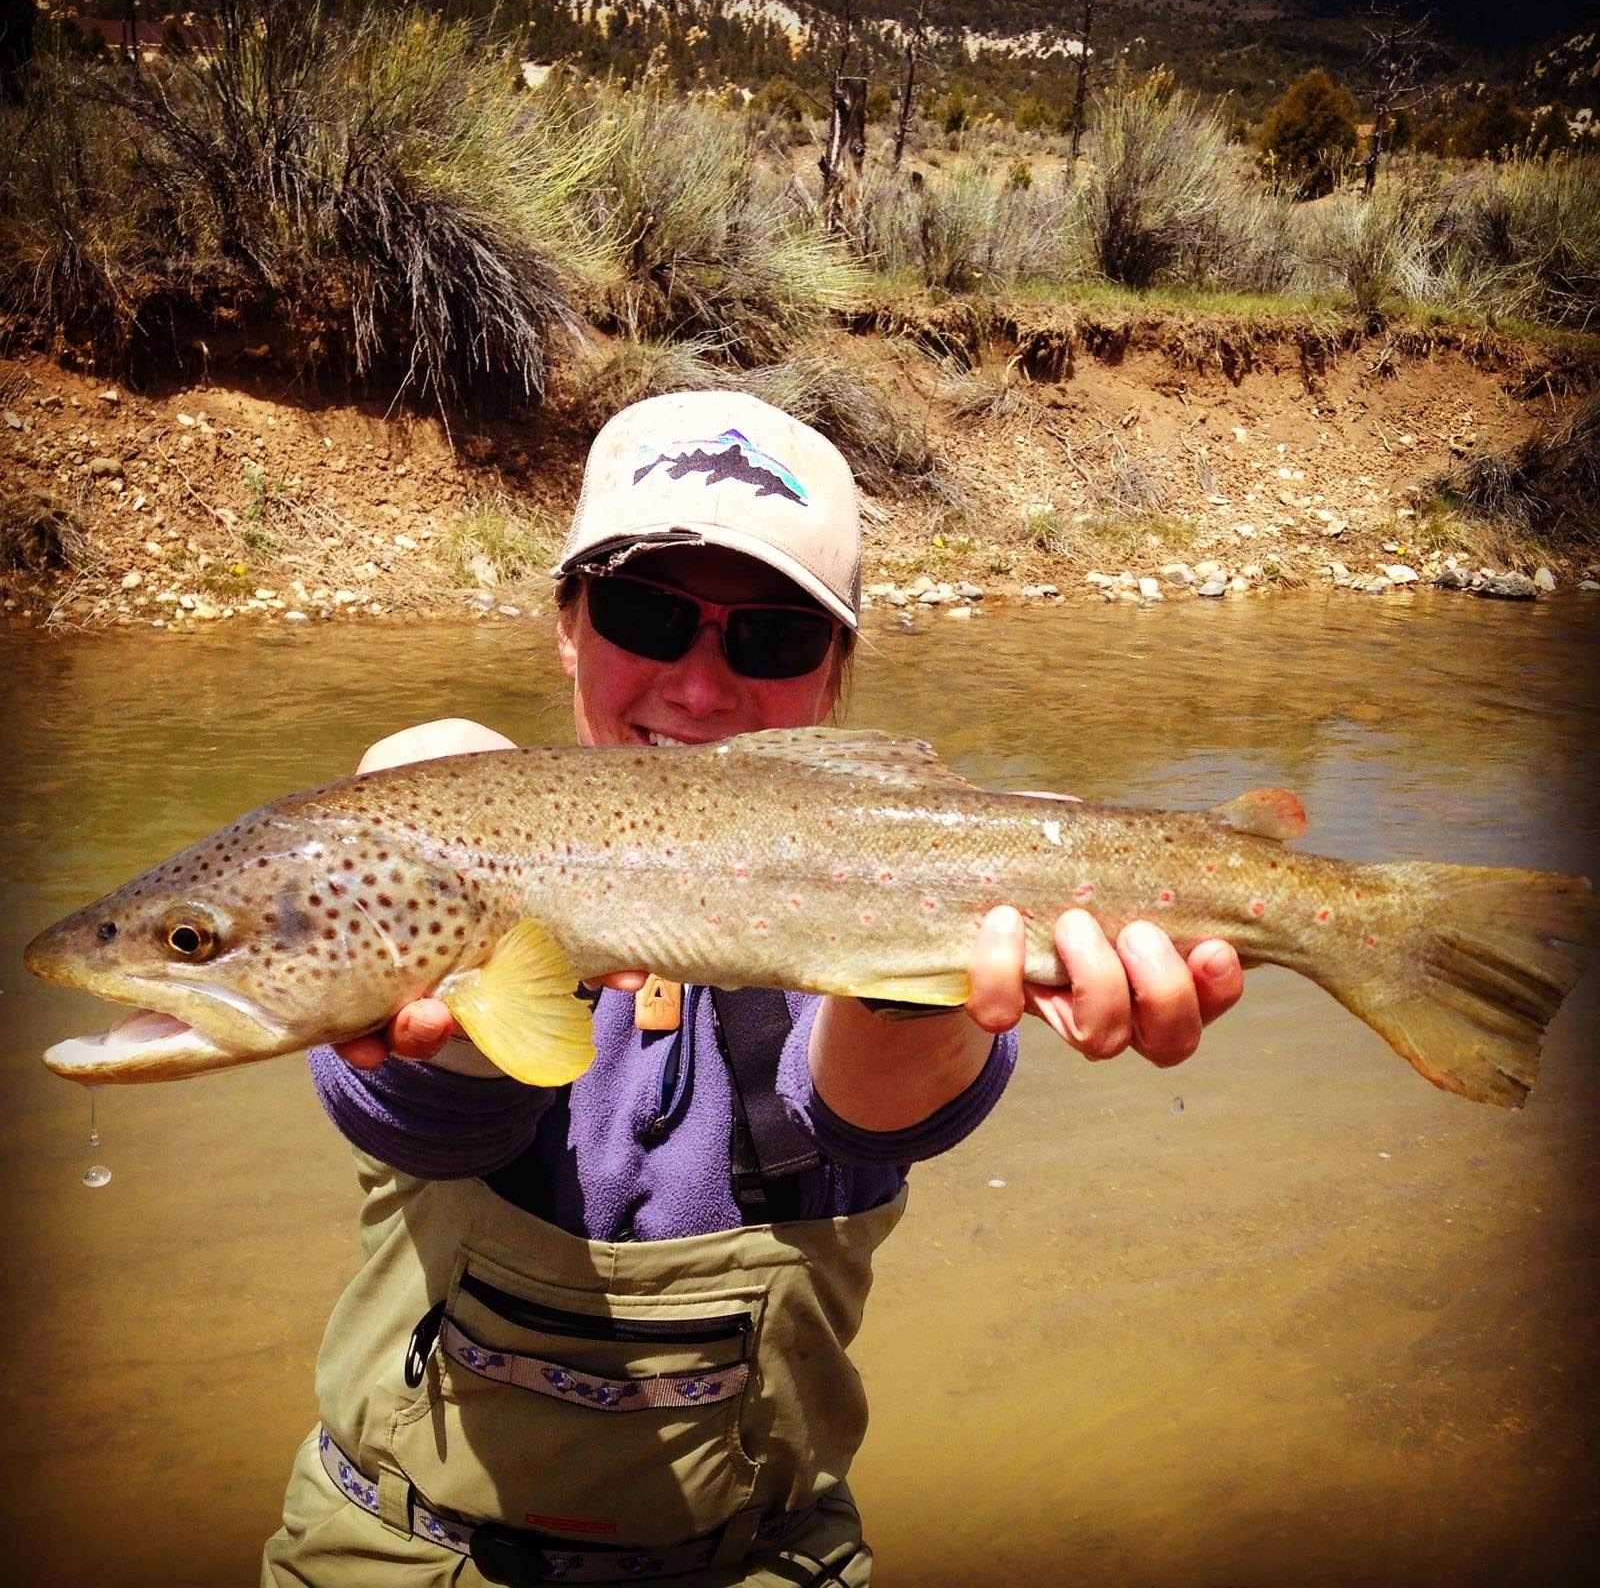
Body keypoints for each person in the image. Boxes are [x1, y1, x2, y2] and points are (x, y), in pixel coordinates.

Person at [262, 391, 1244, 1587]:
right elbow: (420, 1114)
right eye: (644, 613)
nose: (697, 684)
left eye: (771, 637)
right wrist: (425, 857)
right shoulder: (425, 858)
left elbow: (876, 1109)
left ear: (837, 673)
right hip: (391, 1548)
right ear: (566, 623)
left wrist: (917, 978)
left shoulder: (897, 893)